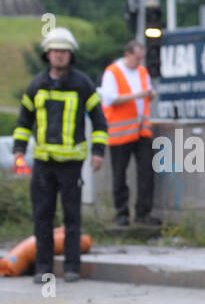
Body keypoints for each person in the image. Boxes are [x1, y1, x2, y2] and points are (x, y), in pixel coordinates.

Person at [11, 27, 107, 284]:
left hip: (71, 164)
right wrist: (19, 151)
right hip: (43, 164)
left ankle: (72, 267)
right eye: (55, 51)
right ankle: (44, 268)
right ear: (48, 55)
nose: (60, 56)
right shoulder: (36, 86)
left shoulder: (82, 85)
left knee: (72, 216)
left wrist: (98, 152)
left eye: (64, 52)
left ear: (70, 55)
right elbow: (23, 122)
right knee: (43, 216)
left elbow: (99, 121)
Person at [100, 40, 159, 226]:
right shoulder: (113, 72)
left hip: (142, 130)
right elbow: (110, 99)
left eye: (142, 58)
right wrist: (138, 95)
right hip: (120, 132)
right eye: (137, 58)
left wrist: (150, 94)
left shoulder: (142, 71)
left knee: (147, 172)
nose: (139, 62)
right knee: (119, 174)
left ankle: (143, 212)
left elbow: (147, 91)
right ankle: (122, 213)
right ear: (127, 54)